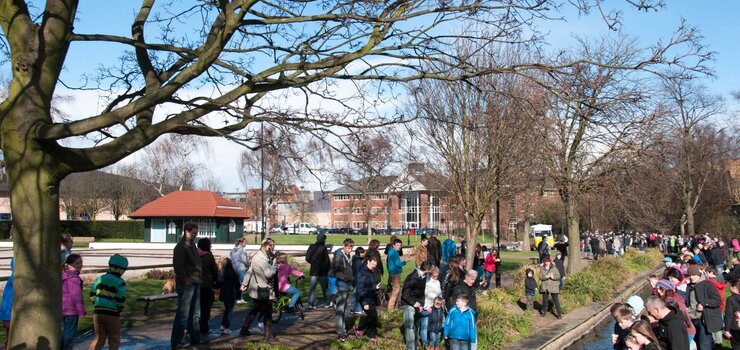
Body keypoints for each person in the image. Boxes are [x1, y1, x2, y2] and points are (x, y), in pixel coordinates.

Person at [170, 223, 205, 348]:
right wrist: (187, 280)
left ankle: (195, 338)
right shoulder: (180, 247)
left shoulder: (192, 245)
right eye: (194, 233)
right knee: (183, 314)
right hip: (187, 284)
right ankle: (176, 341)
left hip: (195, 282)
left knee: (195, 314)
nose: (196, 235)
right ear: (186, 232)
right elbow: (178, 267)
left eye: (196, 232)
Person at [239, 239, 278, 339]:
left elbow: (249, 271)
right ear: (266, 246)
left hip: (256, 289)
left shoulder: (258, 256)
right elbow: (268, 274)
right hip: (263, 289)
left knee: (255, 310)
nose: (273, 248)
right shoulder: (262, 259)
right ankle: (267, 335)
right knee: (268, 312)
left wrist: (244, 284)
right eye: (271, 246)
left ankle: (244, 330)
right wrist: (274, 265)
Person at [89, 254, 128, 350]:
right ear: (121, 269)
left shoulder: (100, 279)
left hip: (98, 312)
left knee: (99, 338)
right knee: (114, 338)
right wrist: (120, 308)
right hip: (112, 313)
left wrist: (97, 304)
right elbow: (120, 298)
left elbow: (92, 294)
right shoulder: (120, 282)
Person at [685, 264, 722, 350]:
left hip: (703, 319)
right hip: (692, 318)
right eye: (690, 275)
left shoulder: (707, 285)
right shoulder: (689, 286)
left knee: (704, 345)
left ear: (698, 275)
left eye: (694, 275)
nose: (691, 277)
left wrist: (704, 303)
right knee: (697, 343)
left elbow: (717, 300)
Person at [401, 261, 433, 350]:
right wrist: (415, 303)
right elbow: (405, 294)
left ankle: (415, 346)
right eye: (431, 269)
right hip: (408, 304)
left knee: (416, 325)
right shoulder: (412, 278)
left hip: (418, 304)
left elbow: (421, 293)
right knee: (410, 326)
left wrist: (421, 305)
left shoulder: (424, 277)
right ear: (427, 270)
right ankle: (411, 347)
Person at [330, 238, 355, 342]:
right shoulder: (338, 256)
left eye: (351, 248)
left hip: (347, 284)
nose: (350, 250)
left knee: (344, 309)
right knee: (340, 310)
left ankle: (343, 330)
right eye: (349, 248)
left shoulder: (347, 255)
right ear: (344, 246)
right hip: (342, 284)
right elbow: (336, 271)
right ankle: (341, 333)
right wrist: (345, 278)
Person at [354, 254, 381, 344]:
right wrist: (364, 302)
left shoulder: (371, 271)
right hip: (364, 298)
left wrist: (375, 287)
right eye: (373, 264)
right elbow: (360, 288)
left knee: (374, 316)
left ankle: (371, 335)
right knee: (372, 315)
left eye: (375, 265)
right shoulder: (363, 272)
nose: (374, 266)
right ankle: (359, 328)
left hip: (371, 298)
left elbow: (369, 285)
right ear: (368, 262)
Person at [62, 254, 85, 350]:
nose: (80, 265)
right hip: (71, 311)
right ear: (69, 265)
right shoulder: (74, 279)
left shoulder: (63, 276)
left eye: (81, 262)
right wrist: (81, 311)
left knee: (63, 333)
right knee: (69, 335)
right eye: (77, 263)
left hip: (62, 309)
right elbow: (76, 297)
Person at [197, 238, 218, 335]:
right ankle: (204, 327)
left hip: (196, 284)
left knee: (196, 307)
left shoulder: (194, 255)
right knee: (205, 308)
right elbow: (215, 271)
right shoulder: (209, 257)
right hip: (207, 285)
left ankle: (191, 327)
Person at [305, 233, 331, 309]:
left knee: (313, 288)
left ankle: (311, 303)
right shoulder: (323, 248)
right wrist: (327, 268)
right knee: (325, 288)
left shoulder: (312, 246)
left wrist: (312, 262)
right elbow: (327, 261)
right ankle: (327, 302)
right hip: (322, 271)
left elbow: (307, 258)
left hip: (314, 270)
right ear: (323, 240)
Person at [216, 257, 240, 335]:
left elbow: (219, 283)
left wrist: (214, 286)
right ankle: (226, 327)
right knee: (229, 311)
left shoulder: (222, 272)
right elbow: (237, 284)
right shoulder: (234, 273)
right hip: (232, 293)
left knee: (227, 310)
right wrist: (239, 293)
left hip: (224, 294)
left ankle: (223, 325)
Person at [420, 266, 441, 347]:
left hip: (435, 307)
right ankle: (425, 343)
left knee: (432, 325)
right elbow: (422, 296)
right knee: (424, 325)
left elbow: (439, 294)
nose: (435, 278)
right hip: (426, 307)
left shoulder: (438, 282)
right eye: (434, 276)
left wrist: (441, 302)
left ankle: (432, 342)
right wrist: (426, 307)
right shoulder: (426, 282)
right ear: (430, 274)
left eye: (437, 276)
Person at [387, 239, 406, 310]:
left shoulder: (392, 251)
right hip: (395, 273)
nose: (399, 247)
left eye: (400, 245)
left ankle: (395, 307)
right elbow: (397, 263)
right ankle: (391, 308)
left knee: (396, 290)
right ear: (393, 245)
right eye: (397, 245)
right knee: (396, 290)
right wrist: (404, 262)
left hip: (393, 272)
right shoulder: (394, 252)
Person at [229, 237, 249, 304]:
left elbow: (230, 259)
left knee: (235, 284)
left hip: (234, 269)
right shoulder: (242, 250)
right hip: (241, 268)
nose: (246, 244)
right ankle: (240, 298)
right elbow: (244, 260)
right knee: (242, 284)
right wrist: (248, 265)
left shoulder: (232, 250)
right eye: (245, 242)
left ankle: (235, 298)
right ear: (242, 243)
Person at [724, 279, 740, 350]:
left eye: (730, 286)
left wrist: (726, 330)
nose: (729, 287)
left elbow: (729, 315)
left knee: (736, 345)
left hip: (735, 327)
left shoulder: (731, 299)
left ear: (735, 288)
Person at [0, 258, 12, 349]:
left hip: (7, 314)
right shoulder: (14, 280)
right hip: (9, 314)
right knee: (11, 335)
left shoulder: (12, 279)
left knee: (9, 336)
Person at [352, 247, 366, 314]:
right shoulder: (358, 261)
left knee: (355, 295)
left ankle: (353, 308)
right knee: (358, 295)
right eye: (362, 252)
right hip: (358, 280)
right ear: (358, 253)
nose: (364, 254)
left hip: (355, 279)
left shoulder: (355, 259)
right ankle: (358, 309)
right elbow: (358, 272)